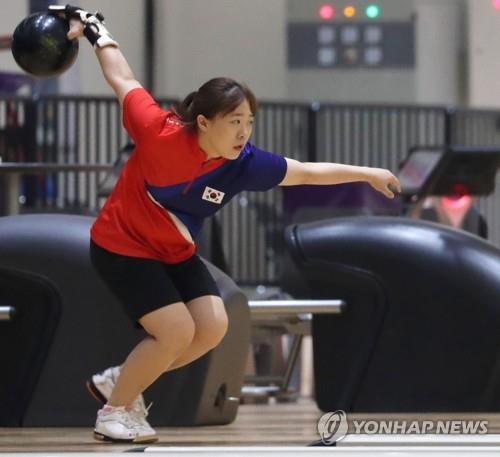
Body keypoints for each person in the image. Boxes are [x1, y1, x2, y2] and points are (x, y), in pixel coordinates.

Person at [52, 5, 401, 444]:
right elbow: (122, 79)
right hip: (123, 247)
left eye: (249, 122)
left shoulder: (245, 164)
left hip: (174, 253)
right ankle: (114, 410)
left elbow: (307, 172)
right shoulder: (160, 133)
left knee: (213, 326)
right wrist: (97, 32)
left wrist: (368, 173)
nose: (244, 132)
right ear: (204, 122)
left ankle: (121, 382)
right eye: (234, 121)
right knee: (176, 331)